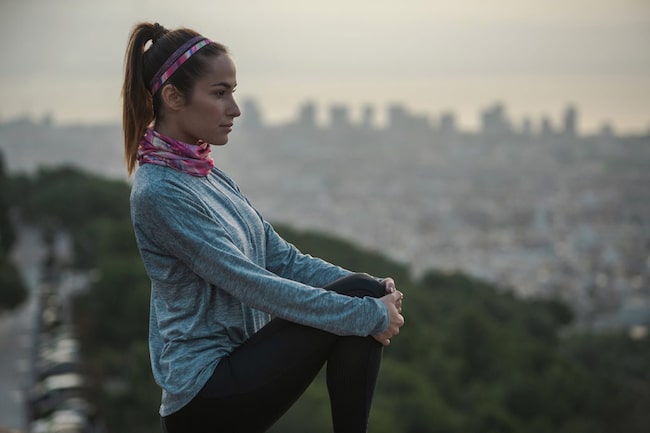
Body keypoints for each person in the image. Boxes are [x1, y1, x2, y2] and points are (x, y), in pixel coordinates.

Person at [122, 22, 405, 433]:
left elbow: (281, 258)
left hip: (238, 368)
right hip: (204, 395)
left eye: (232, 92)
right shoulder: (159, 192)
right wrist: (364, 315)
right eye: (220, 93)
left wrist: (378, 294)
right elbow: (251, 283)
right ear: (173, 97)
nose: (235, 108)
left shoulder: (207, 175)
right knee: (360, 305)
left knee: (365, 290)